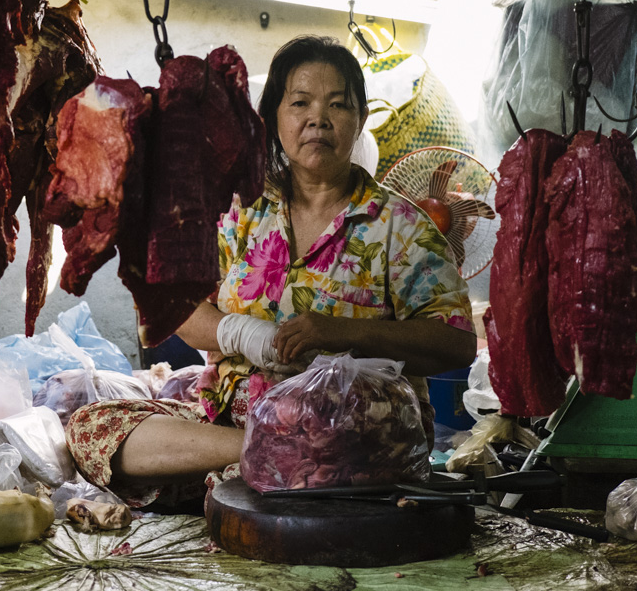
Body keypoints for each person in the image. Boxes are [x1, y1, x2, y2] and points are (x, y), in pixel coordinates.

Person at [65, 35, 476, 508]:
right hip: (229, 427)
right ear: (274, 118)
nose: (318, 118)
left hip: (345, 438)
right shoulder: (240, 211)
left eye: (338, 105)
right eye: (300, 102)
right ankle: (257, 455)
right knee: (89, 426)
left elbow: (456, 342)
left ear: (360, 119)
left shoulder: (401, 227)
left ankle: (261, 467)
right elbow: (178, 311)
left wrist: (342, 333)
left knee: (341, 445)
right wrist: (242, 333)